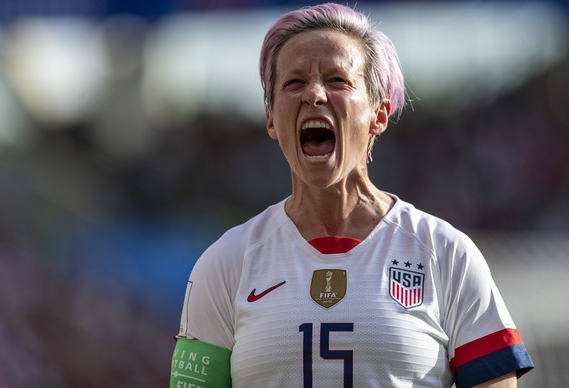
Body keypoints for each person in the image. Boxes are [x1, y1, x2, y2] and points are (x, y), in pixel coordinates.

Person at [170, 3, 534, 387]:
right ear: (271, 117)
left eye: (338, 80)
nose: (314, 94)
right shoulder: (226, 263)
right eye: (294, 83)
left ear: (379, 113)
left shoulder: (446, 254)